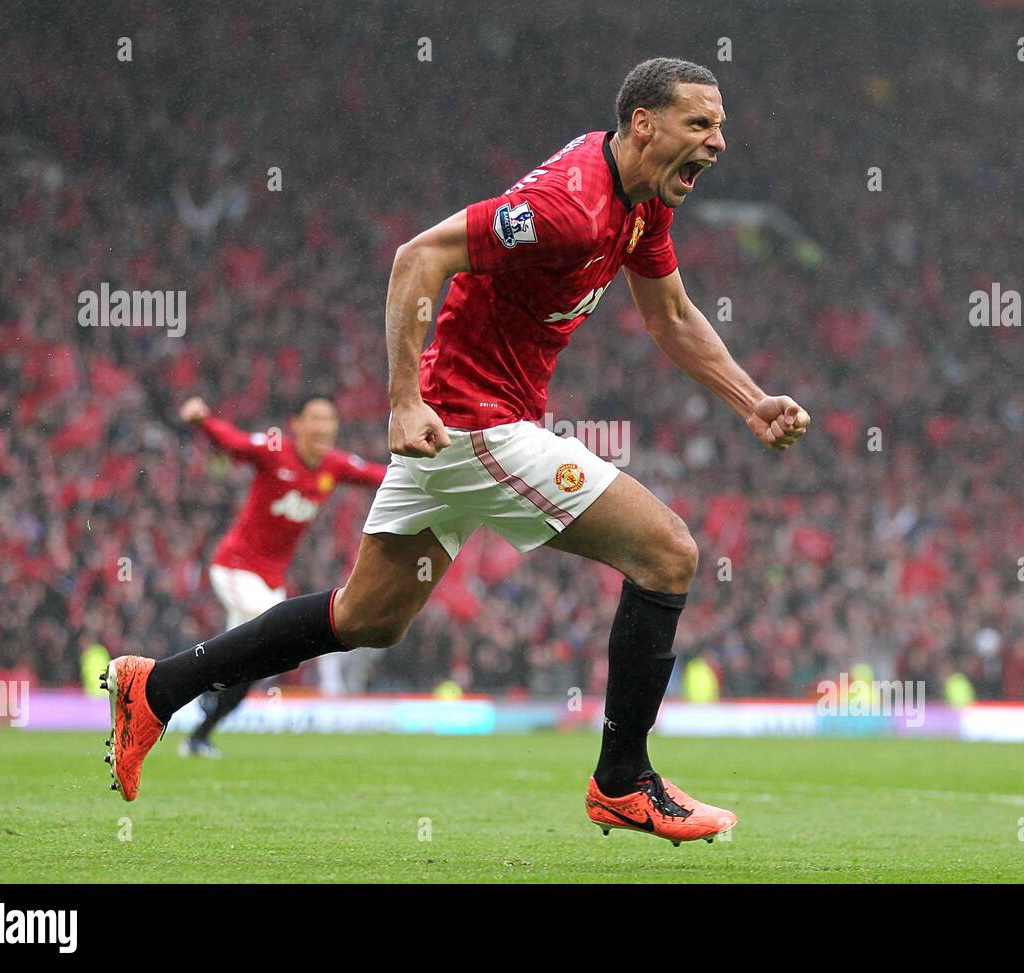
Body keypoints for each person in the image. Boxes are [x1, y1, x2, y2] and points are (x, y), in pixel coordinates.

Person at [101, 57, 810, 846]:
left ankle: (157, 685)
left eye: (720, 126)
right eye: (700, 124)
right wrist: (402, 399)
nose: (717, 142)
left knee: (365, 615)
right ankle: (622, 782)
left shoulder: (642, 203)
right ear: (643, 123)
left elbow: (672, 315)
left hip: (462, 426)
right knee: (668, 552)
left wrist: (753, 401)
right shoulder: (567, 206)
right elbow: (418, 258)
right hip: (475, 422)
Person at [174, 393, 385, 755]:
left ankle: (200, 732)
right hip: (236, 568)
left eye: (330, 419)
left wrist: (430, 470)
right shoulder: (274, 452)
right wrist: (202, 420)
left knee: (253, 664)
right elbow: (235, 443)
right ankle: (205, 687)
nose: (324, 427)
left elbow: (376, 475)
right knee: (268, 635)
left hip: (271, 582)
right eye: (315, 418)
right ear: (297, 424)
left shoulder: (333, 466)